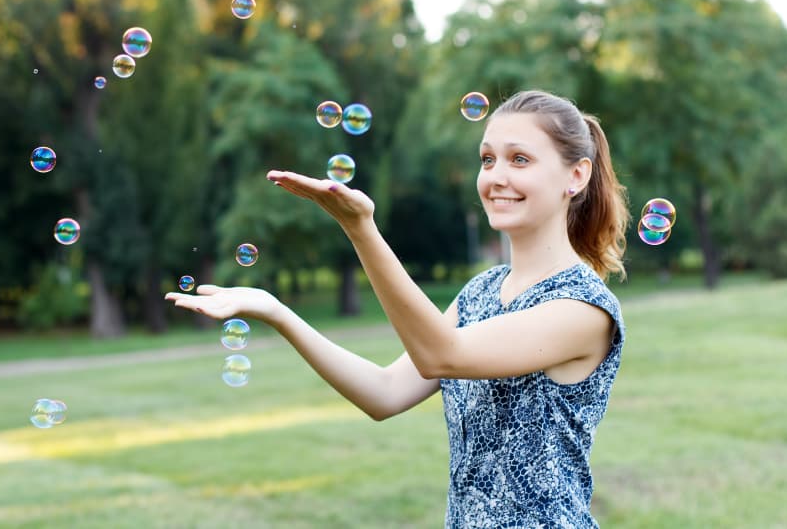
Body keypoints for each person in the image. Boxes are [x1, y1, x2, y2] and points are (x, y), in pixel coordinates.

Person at [166, 89, 630, 528]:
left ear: (577, 176)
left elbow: (441, 356)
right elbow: (386, 392)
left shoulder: (583, 308)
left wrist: (361, 230)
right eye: (488, 159)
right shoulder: (481, 293)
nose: (496, 177)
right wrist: (278, 312)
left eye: (520, 159)